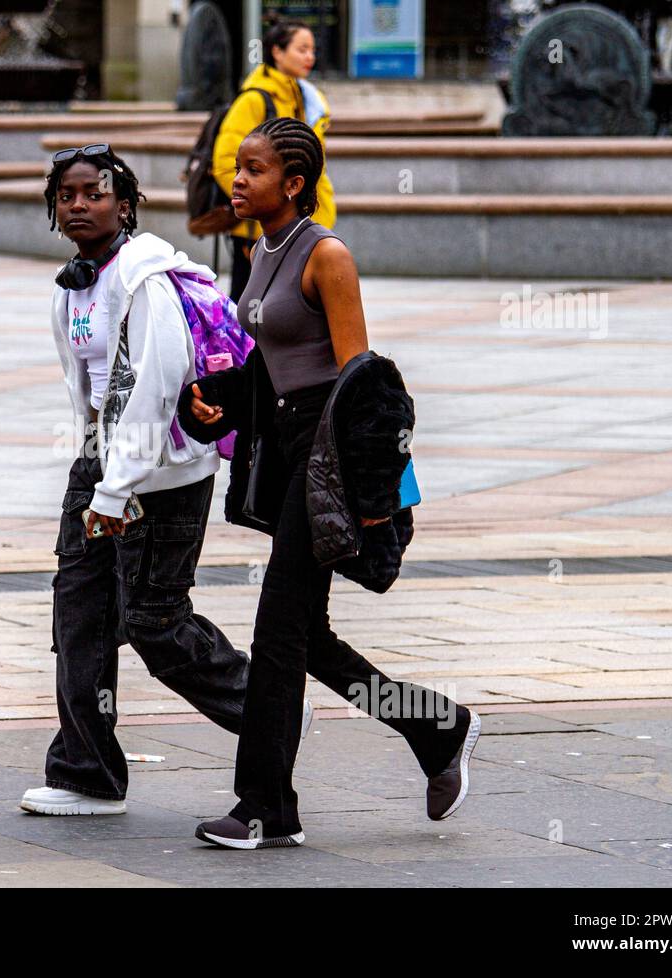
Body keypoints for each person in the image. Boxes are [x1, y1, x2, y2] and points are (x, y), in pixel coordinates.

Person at [180, 118, 482, 850]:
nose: (237, 180)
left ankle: (261, 805)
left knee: (276, 632)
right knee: (303, 635)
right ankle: (434, 727)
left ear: (293, 183)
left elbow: (365, 386)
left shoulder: (328, 256)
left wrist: (372, 502)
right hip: (287, 450)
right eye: (237, 168)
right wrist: (219, 394)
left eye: (252, 169)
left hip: (327, 458)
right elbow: (271, 364)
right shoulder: (260, 250)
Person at [20, 143, 310, 816]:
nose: (78, 204)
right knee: (79, 615)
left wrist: (118, 490)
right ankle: (86, 772)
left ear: (124, 207)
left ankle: (268, 713)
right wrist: (95, 472)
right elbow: (89, 389)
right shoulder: (75, 285)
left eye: (93, 193)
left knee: (154, 620)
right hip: (101, 463)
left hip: (164, 470)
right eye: (66, 195)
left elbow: (152, 388)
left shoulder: (143, 280)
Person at [213, 16, 337, 302]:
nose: (310, 57)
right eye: (302, 49)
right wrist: (262, 214)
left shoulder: (305, 99)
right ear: (277, 52)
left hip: (298, 226)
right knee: (250, 318)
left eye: (313, 50)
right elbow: (224, 163)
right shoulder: (255, 99)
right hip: (257, 232)